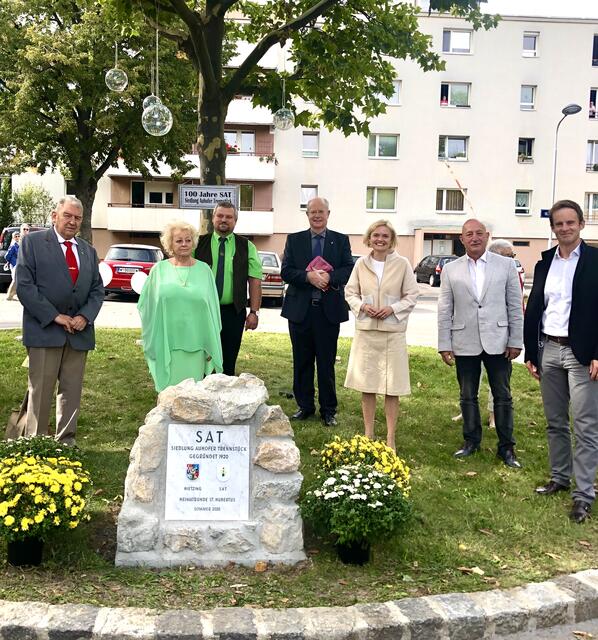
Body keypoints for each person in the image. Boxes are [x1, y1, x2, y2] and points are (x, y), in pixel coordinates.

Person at [524, 199, 598, 524]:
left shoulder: (596, 260)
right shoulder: (544, 264)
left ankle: (583, 496)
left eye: (570, 222)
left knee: (585, 426)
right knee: (555, 422)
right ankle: (560, 478)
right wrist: (531, 351)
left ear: (581, 224)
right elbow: (535, 308)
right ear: (552, 228)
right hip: (549, 350)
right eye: (558, 224)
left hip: (582, 353)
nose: (564, 228)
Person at [15, 196, 104, 444]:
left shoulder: (88, 250)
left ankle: (66, 442)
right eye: (67, 215)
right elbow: (24, 286)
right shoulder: (32, 243)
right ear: (54, 216)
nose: (72, 221)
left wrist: (85, 316)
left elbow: (97, 290)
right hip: (44, 331)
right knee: (40, 391)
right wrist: (54, 316)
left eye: (77, 217)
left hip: (78, 334)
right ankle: (36, 443)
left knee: (71, 392)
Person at [438, 219, 523, 468]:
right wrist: (444, 343)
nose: (474, 238)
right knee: (467, 395)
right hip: (464, 340)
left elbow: (514, 306)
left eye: (479, 234)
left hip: (499, 341)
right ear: (461, 239)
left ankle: (506, 448)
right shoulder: (451, 269)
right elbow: (445, 309)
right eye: (468, 234)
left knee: (503, 396)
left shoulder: (506, 266)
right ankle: (471, 441)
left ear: (487, 237)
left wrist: (516, 339)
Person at [344, 220, 419, 450]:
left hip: (392, 333)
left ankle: (390, 437)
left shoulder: (402, 264)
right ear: (369, 238)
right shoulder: (361, 265)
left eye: (385, 236)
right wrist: (363, 307)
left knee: (391, 387)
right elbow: (350, 292)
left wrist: (392, 309)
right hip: (367, 332)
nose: (380, 239)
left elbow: (412, 294)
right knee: (368, 385)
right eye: (376, 235)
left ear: (391, 239)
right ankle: (368, 434)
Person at [281, 196, 354, 426]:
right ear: (307, 215)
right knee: (301, 361)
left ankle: (328, 410)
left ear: (328, 214)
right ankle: (305, 406)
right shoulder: (294, 240)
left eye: (321, 211)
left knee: (326, 362)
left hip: (327, 312)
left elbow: (348, 269)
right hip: (300, 311)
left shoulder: (340, 240)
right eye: (312, 212)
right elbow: (286, 271)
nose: (317, 215)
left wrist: (330, 277)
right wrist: (308, 277)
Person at [138, 220, 223, 392]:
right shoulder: (158, 270)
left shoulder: (205, 270)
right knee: (168, 395)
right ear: (170, 244)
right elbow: (145, 306)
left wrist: (210, 341)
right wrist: (151, 338)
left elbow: (213, 309)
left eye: (188, 240)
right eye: (179, 240)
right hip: (167, 342)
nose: (184, 244)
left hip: (197, 345)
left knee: (193, 396)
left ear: (193, 242)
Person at [195, 201, 262, 376]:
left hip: (233, 312)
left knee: (228, 361)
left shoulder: (247, 246)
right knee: (201, 358)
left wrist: (254, 312)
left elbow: (255, 280)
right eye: (220, 216)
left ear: (235, 221)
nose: (224, 220)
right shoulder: (197, 243)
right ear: (213, 218)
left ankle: (225, 399)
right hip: (202, 312)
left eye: (229, 217)